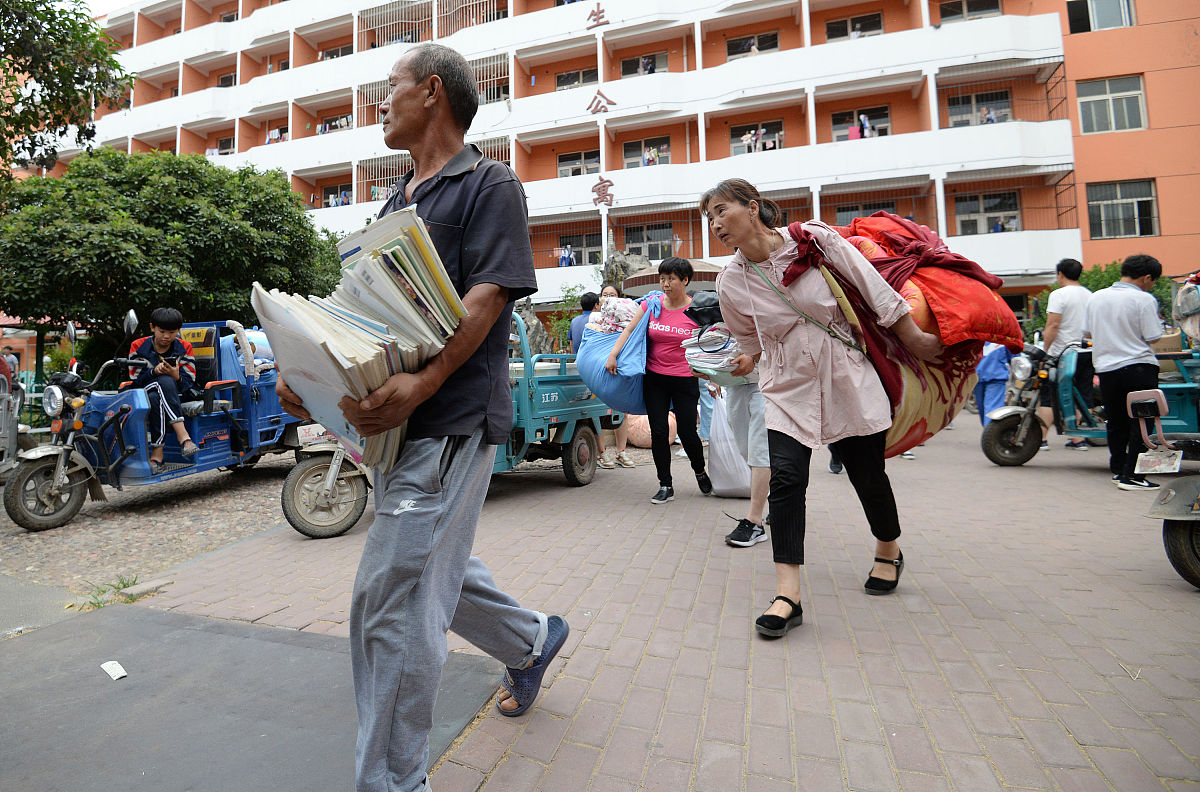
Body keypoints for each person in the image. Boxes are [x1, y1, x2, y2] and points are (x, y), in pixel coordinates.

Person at [276, 44, 568, 792]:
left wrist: (431, 378)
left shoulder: (489, 185)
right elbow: (364, 317)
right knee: (432, 572)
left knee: (394, 604)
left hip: (448, 421)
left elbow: (488, 295)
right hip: (396, 427)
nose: (382, 102)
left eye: (391, 88)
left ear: (432, 93)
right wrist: (311, 379)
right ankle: (531, 642)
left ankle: (393, 782)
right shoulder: (397, 200)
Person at [702, 178, 943, 638]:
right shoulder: (731, 280)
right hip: (786, 383)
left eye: (720, 211)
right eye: (708, 218)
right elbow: (749, 340)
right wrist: (745, 357)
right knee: (787, 478)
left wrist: (913, 338)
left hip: (845, 374)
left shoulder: (814, 241)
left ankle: (888, 547)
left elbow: (870, 287)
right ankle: (787, 594)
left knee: (867, 474)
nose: (715, 224)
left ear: (753, 208)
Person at [606, 257, 713, 504]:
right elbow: (629, 330)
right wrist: (614, 354)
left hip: (686, 379)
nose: (665, 284)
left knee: (688, 432)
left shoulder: (696, 309)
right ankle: (665, 484)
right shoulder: (652, 305)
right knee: (659, 432)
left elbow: (709, 343)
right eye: (662, 279)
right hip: (655, 378)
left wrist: (713, 376)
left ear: (685, 280)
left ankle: (699, 471)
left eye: (671, 279)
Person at [1085, 254, 1164, 491]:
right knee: (1143, 421)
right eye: (1153, 281)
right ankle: (1134, 476)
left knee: (1116, 420)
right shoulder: (1144, 299)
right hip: (1139, 367)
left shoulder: (1096, 297)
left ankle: (1119, 469)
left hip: (1107, 369)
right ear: (1147, 277)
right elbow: (1154, 337)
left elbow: (1087, 333)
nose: (1152, 285)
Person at [128, 308, 199, 473]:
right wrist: (153, 372)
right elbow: (135, 380)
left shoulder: (185, 347)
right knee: (162, 382)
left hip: (176, 395)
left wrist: (177, 377)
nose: (166, 336)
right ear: (152, 327)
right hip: (142, 391)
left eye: (172, 332)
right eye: (162, 331)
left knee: (158, 395)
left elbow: (190, 382)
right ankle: (184, 438)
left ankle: (157, 456)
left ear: (178, 331)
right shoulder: (138, 346)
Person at [1038, 258, 1093, 449]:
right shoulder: (1090, 295)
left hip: (1062, 353)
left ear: (1060, 274)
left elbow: (1053, 325)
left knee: (1048, 394)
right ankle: (1079, 439)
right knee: (1082, 393)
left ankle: (1042, 440)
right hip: (1086, 352)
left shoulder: (1059, 295)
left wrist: (1045, 351)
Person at [722, 377, 771, 548]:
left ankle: (755, 522)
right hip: (734, 382)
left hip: (765, 380)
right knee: (747, 450)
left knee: (760, 451)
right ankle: (776, 494)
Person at [591, 284, 634, 469]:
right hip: (600, 371)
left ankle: (621, 452)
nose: (608, 297)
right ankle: (601, 454)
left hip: (619, 370)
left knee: (622, 412)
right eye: (604, 295)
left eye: (612, 294)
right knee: (599, 412)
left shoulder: (627, 318)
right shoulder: (595, 319)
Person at [974, 342, 1013, 427]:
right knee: (990, 410)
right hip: (989, 376)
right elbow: (1016, 359)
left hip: (988, 378)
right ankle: (990, 436)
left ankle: (989, 436)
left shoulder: (975, 334)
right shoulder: (1005, 336)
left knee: (988, 411)